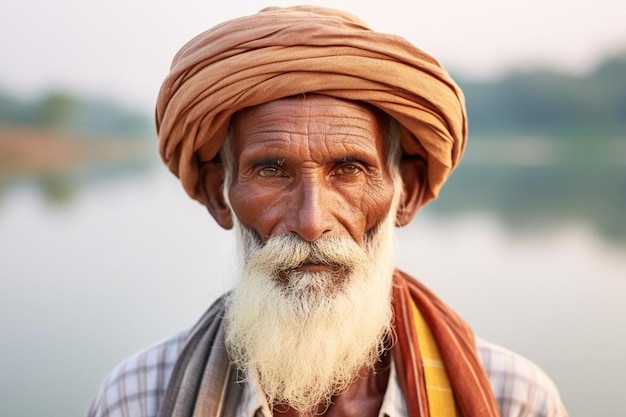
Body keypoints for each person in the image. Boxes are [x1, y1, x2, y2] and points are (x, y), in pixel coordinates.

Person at [88, 6, 568, 417]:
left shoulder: (515, 398)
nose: (312, 220)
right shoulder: (137, 399)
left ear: (407, 193)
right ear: (219, 195)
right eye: (272, 171)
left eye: (350, 170)